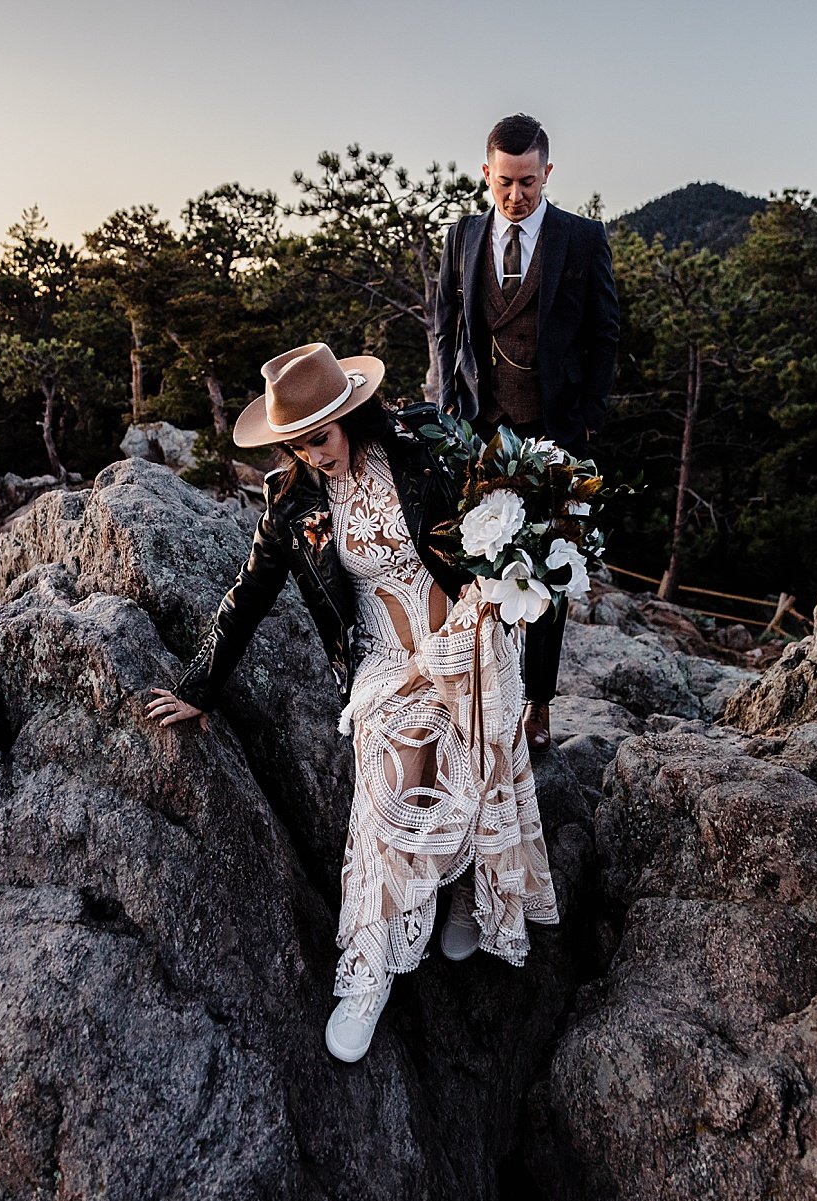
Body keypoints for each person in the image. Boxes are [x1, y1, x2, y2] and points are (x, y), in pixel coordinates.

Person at [145, 342, 559, 1064]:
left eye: (321, 437)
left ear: (350, 414)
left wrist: (522, 631)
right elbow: (246, 598)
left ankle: (466, 889)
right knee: (396, 785)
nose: (313, 453)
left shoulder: (423, 444)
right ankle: (366, 971)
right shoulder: (293, 504)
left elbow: (510, 514)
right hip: (384, 663)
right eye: (296, 443)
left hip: (464, 635)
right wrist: (197, 687)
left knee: (476, 740)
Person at [431, 112, 620, 754]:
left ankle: (537, 706)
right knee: (482, 567)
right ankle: (490, 694)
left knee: (547, 570)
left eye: (529, 183)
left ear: (548, 173)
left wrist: (589, 417)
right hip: (481, 433)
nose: (517, 196)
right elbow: (444, 329)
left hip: (557, 432)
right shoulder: (461, 238)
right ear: (487, 173)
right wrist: (448, 408)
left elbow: (605, 333)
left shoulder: (582, 239)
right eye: (505, 182)